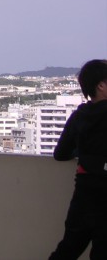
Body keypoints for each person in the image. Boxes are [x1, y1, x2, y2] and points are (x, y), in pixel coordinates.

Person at [49, 59, 107, 260]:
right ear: (101, 85)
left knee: (68, 249)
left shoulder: (79, 116)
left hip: (85, 192)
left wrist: (82, 152)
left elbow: (60, 154)